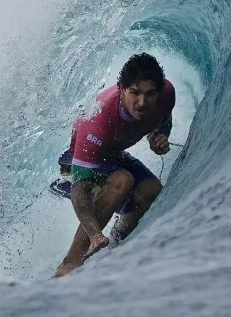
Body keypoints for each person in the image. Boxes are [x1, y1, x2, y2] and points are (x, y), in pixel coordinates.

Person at [51, 53, 175, 277]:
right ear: (121, 89)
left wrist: (158, 137)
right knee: (122, 181)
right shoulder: (100, 120)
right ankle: (68, 265)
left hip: (112, 156)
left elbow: (162, 119)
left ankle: (118, 243)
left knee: (151, 192)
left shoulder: (166, 94)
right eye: (135, 93)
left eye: (150, 94)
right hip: (77, 165)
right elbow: (80, 188)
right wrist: (94, 233)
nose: (142, 102)